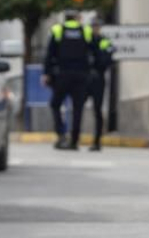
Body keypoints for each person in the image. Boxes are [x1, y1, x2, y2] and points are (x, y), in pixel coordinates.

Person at [43, 15, 93, 151]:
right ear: (77, 19)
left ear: (65, 18)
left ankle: (61, 135)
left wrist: (47, 73)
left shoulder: (58, 30)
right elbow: (92, 51)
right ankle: (75, 140)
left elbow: (49, 53)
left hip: (62, 75)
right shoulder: (86, 30)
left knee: (55, 104)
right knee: (78, 108)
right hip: (81, 75)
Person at [84, 23, 115, 151]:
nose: (95, 29)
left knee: (97, 110)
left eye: (97, 27)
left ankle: (97, 141)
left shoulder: (104, 41)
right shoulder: (85, 41)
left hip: (98, 78)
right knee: (78, 107)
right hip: (85, 78)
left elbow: (108, 58)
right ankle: (73, 138)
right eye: (93, 27)